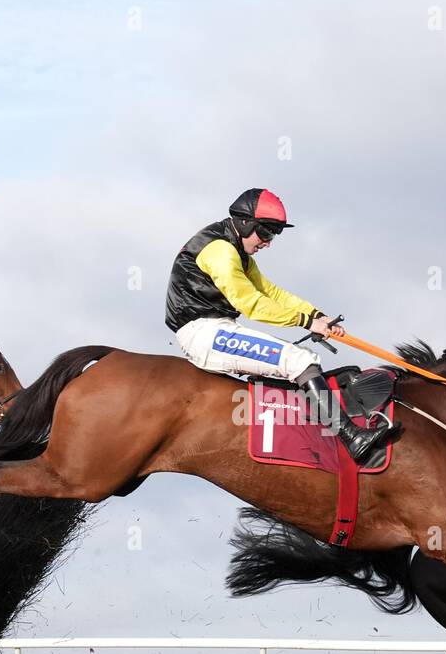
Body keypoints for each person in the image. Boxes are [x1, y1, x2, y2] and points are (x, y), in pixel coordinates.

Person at [166, 188, 393, 462]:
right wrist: (307, 322)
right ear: (245, 223)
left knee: (299, 362)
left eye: (273, 234)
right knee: (300, 360)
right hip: (203, 333)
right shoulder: (221, 251)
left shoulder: (238, 251)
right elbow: (250, 303)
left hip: (216, 327)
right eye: (266, 232)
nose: (268, 242)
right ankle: (352, 438)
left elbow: (271, 293)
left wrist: (317, 316)